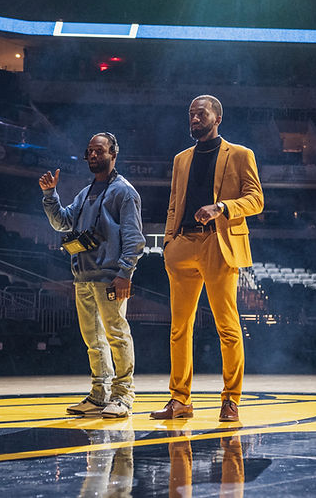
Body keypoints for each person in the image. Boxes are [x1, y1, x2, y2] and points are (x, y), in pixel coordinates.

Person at [151, 95, 264, 422]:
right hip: (183, 244)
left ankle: (230, 400)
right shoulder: (181, 159)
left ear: (218, 118)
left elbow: (256, 199)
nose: (195, 118)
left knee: (227, 326)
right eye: (191, 114)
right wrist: (169, 242)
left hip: (218, 242)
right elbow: (174, 203)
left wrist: (222, 207)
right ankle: (180, 400)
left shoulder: (241, 154)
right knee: (179, 329)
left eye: (201, 113)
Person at [39, 132, 144, 419]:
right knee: (93, 341)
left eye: (99, 150)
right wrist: (50, 195)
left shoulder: (124, 192)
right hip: (83, 277)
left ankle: (123, 396)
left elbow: (134, 238)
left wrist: (125, 273)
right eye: (90, 151)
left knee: (117, 336)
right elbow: (62, 222)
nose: (93, 155)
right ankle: (99, 395)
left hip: (110, 277)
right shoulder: (84, 194)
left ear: (113, 154)